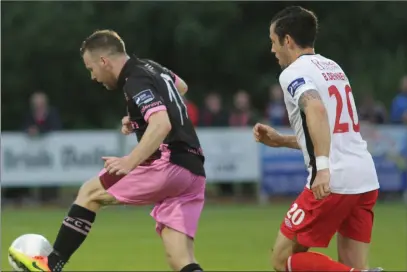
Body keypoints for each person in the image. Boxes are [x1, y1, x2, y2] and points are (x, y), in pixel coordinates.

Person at [9, 30, 206, 272]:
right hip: (194, 171)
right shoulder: (152, 67)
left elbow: (162, 124)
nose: (93, 76)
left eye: (91, 68)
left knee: (90, 192)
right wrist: (138, 117)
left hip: (169, 164)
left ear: (104, 61)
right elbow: (181, 88)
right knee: (181, 260)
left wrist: (129, 162)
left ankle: (50, 265)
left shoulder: (135, 79)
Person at [253, 6, 382, 272]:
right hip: (365, 178)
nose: (272, 50)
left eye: (273, 41)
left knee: (281, 260)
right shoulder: (332, 67)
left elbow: (316, 109)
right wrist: (282, 141)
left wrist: (322, 169)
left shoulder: (292, 72)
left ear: (287, 39)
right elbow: (331, 131)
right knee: (352, 266)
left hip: (333, 180)